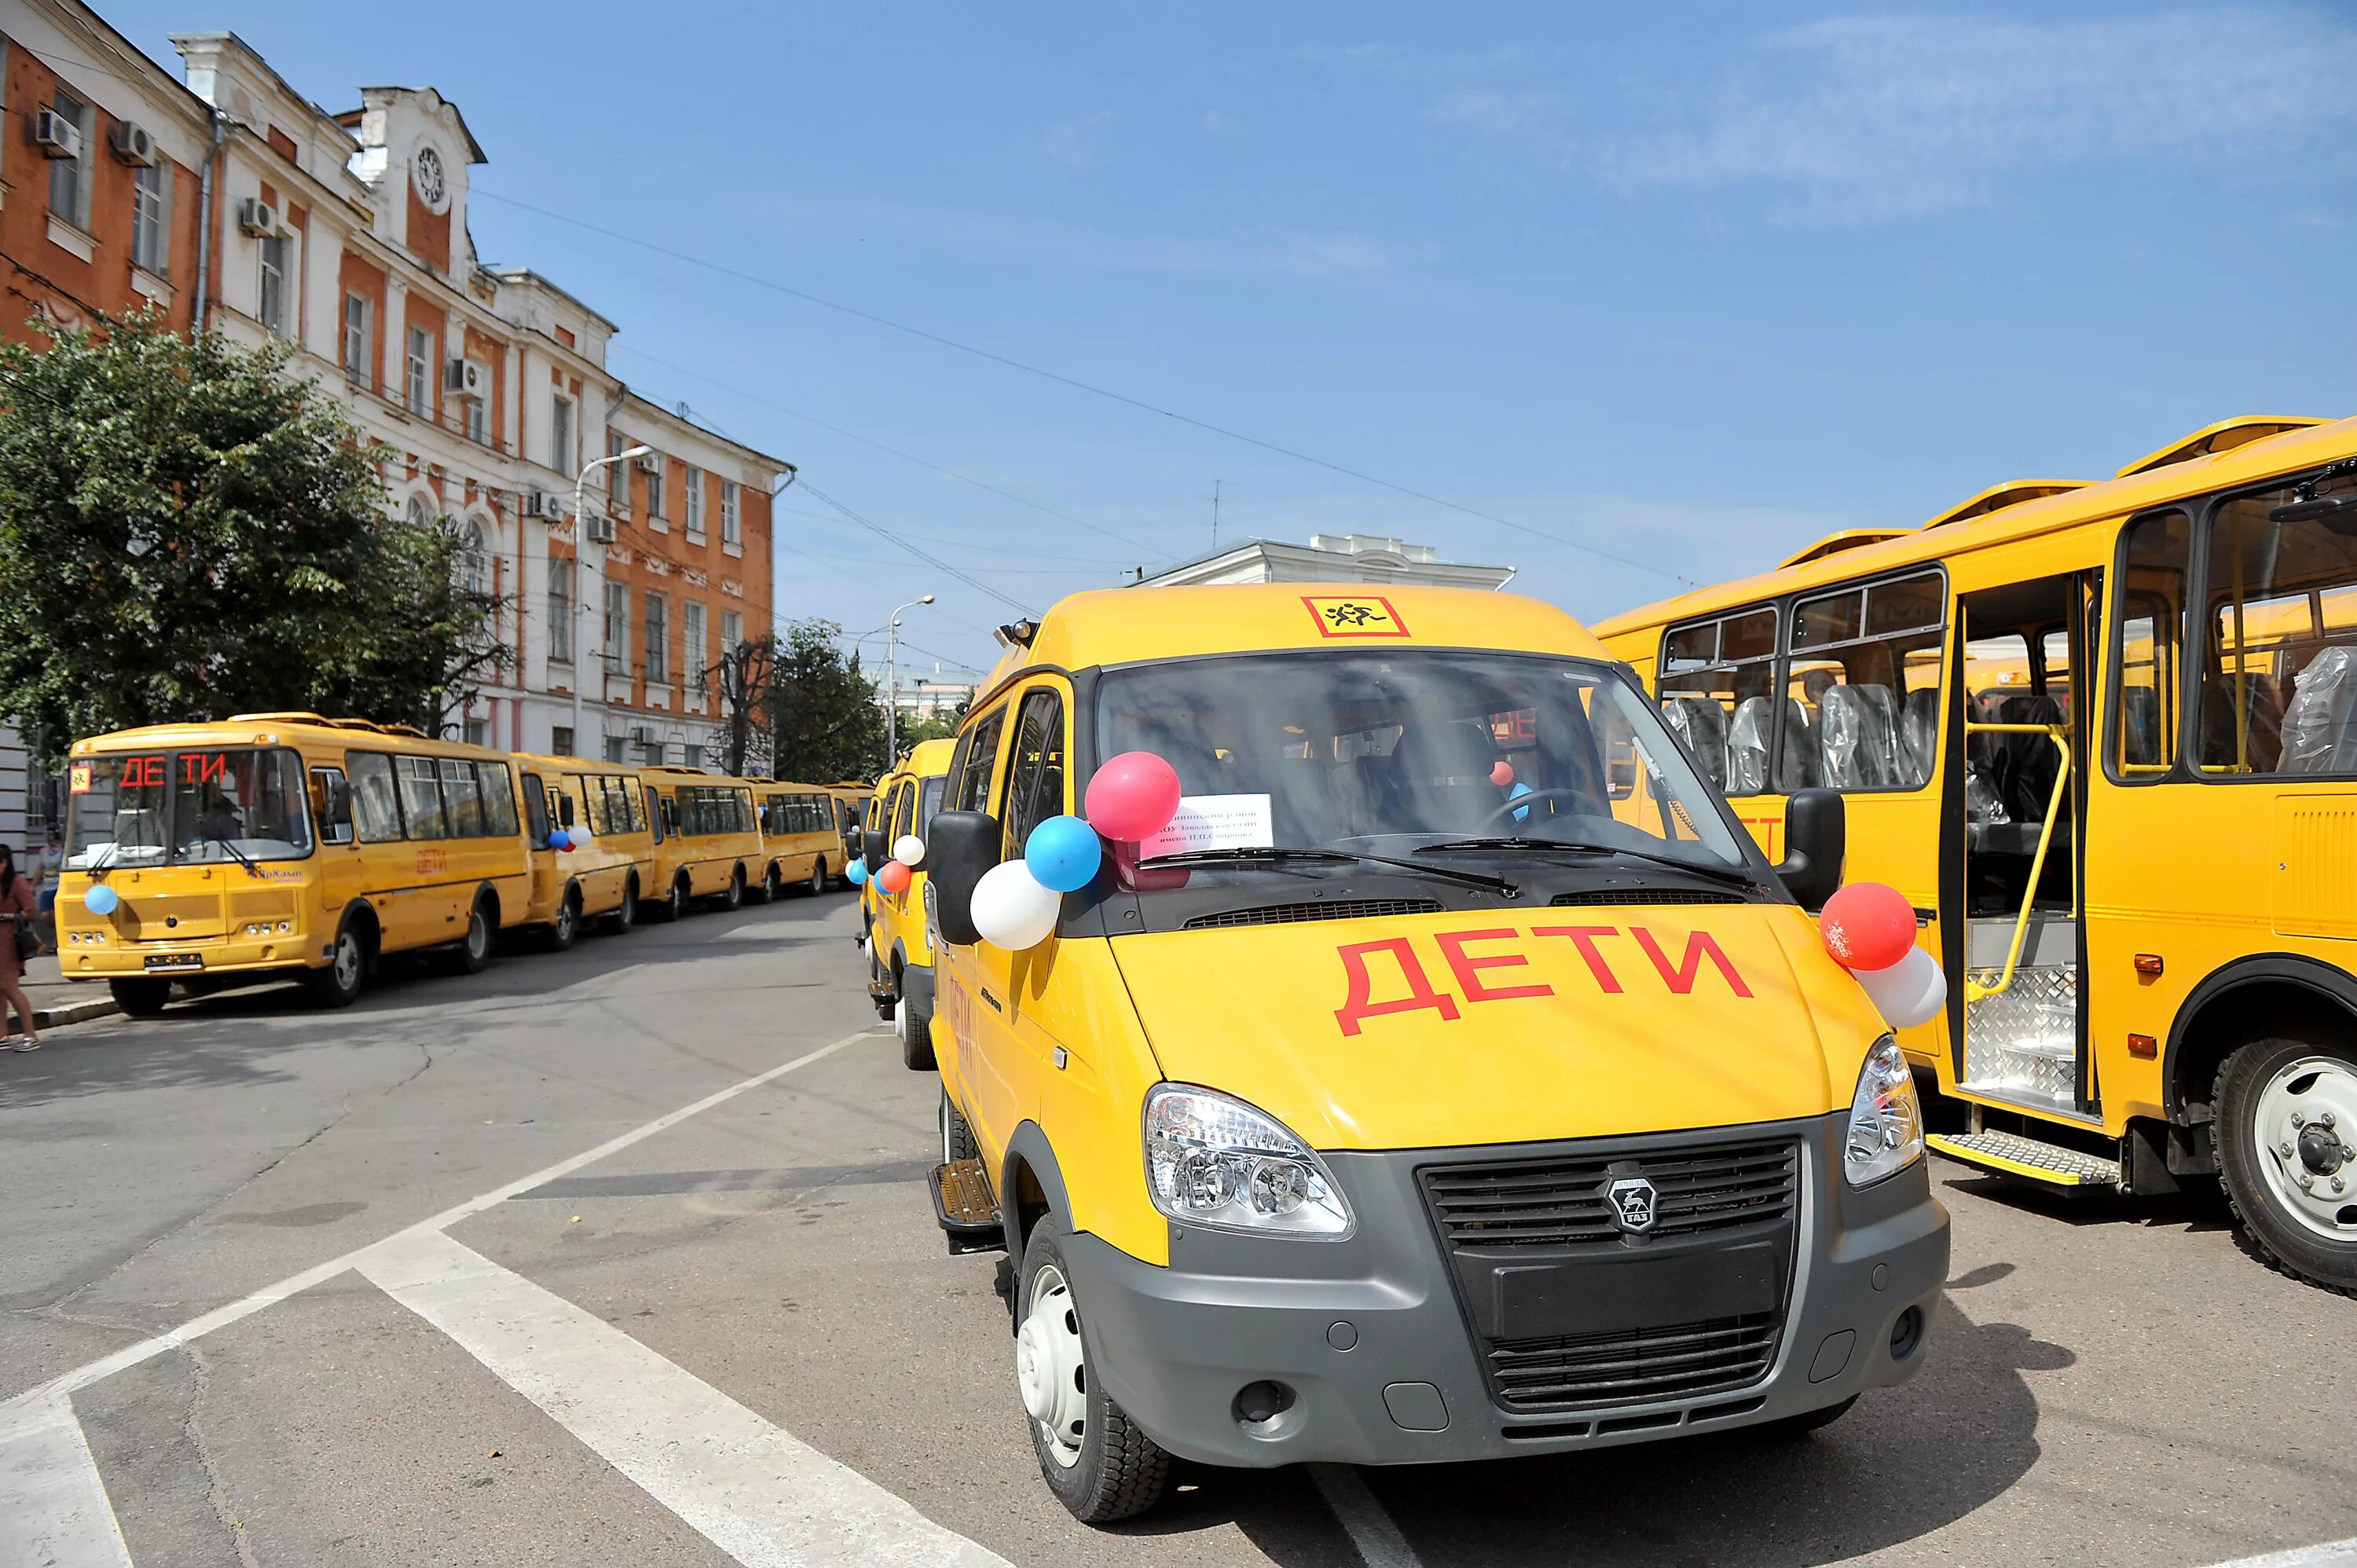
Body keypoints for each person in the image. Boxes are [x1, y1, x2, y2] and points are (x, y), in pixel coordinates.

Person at [0, 844, 46, 1052]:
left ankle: (30, 1035)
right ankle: (2, 1034)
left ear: (4, 863)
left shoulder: (17, 883)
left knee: (10, 988)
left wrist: (6, 916)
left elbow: (32, 913)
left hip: (9, 941)